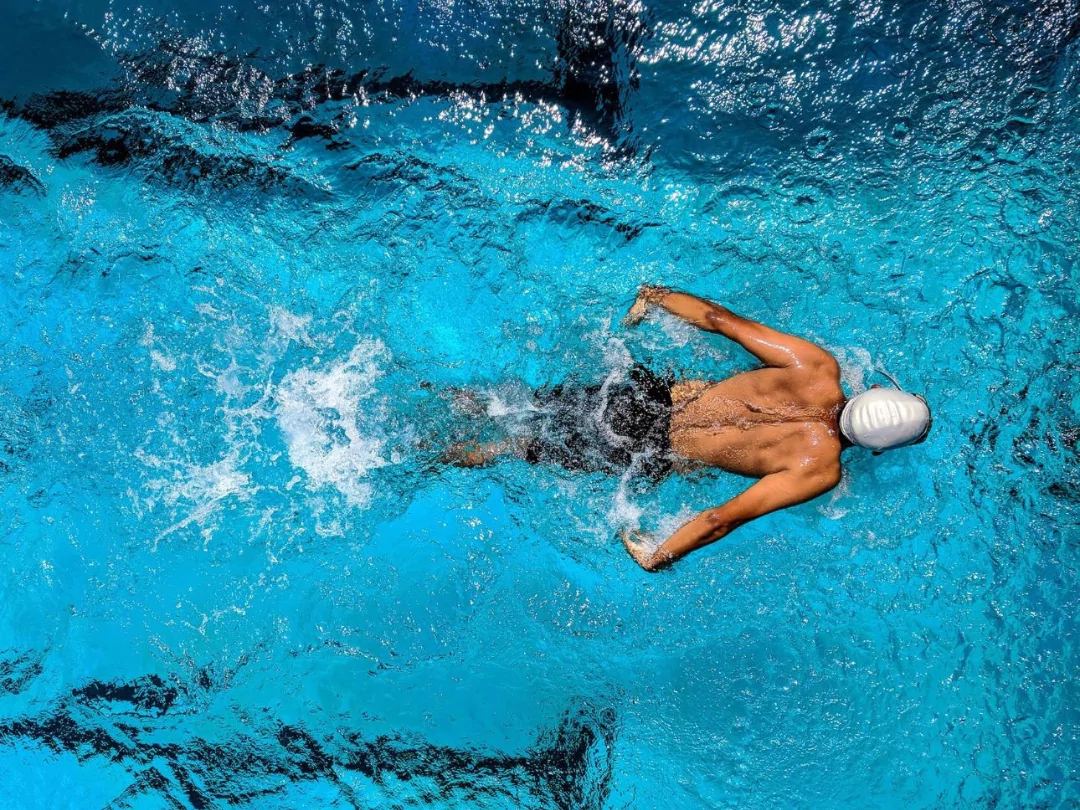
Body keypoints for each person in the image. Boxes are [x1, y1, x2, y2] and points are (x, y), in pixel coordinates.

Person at [448, 286, 932, 571]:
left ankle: (445, 395)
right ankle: (428, 455)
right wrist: (659, 556)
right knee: (515, 448)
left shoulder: (817, 367)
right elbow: (722, 518)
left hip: (640, 396)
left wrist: (656, 297)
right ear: (878, 449)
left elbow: (721, 320)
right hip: (645, 450)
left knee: (512, 405)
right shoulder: (819, 469)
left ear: (872, 390)